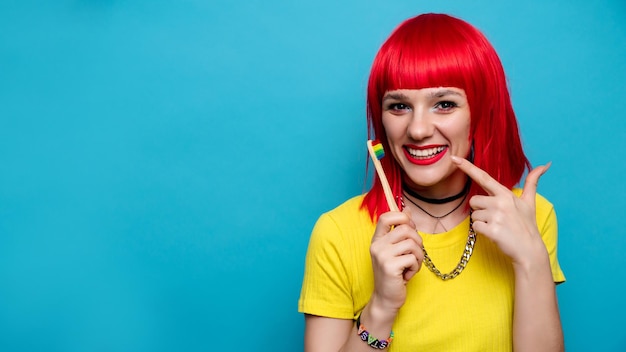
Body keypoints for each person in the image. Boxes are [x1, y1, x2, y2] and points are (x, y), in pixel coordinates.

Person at [298, 13, 565, 351]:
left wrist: (531, 261)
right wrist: (381, 307)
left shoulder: (530, 215)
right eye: (398, 106)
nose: (418, 130)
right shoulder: (337, 232)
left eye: (444, 104)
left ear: (481, 112)